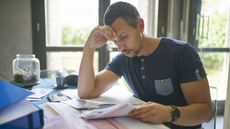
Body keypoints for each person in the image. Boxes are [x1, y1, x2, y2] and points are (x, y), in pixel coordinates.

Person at [78, 1, 212, 129]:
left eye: (124, 37)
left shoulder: (182, 53)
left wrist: (169, 113)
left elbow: (206, 113)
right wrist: (89, 48)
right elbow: (86, 93)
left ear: (140, 25)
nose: (120, 47)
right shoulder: (124, 59)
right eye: (114, 41)